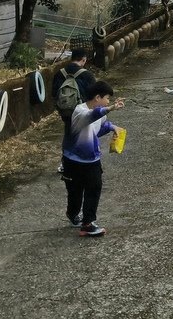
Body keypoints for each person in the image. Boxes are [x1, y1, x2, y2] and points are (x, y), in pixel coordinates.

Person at [61, 80, 124, 237]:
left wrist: (112, 127)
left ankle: (87, 223)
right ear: (97, 97)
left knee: (93, 189)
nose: (108, 101)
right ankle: (73, 213)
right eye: (107, 98)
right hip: (73, 160)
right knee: (75, 191)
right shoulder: (80, 112)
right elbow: (93, 116)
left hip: (92, 160)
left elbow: (98, 128)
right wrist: (111, 108)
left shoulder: (99, 111)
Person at [51, 48, 97, 173]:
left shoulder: (60, 73)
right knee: (83, 136)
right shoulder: (87, 75)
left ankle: (65, 164)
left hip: (65, 111)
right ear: (84, 59)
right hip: (81, 111)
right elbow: (94, 95)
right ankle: (82, 163)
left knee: (68, 134)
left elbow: (54, 93)